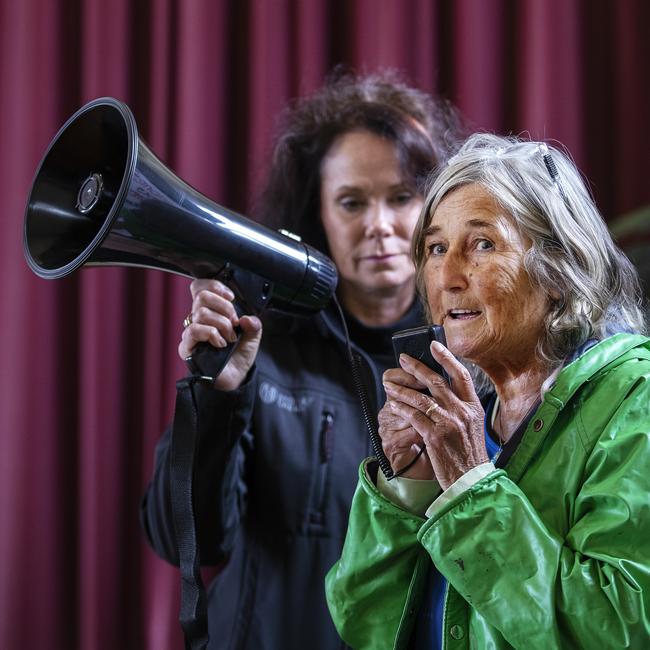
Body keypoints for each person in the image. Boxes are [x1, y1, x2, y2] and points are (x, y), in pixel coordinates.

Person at [140, 70, 464, 650]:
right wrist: (218, 395)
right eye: (352, 202)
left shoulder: (471, 364)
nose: (379, 226)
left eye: (401, 197)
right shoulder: (260, 348)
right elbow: (183, 539)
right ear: (318, 215)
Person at [325, 133, 650, 649]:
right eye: (435, 248)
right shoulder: (468, 418)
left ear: (559, 269)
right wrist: (405, 490)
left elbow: (621, 629)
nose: (448, 276)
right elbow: (364, 624)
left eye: (482, 244)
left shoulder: (637, 398)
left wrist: (470, 489)